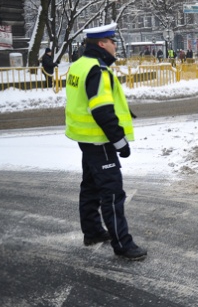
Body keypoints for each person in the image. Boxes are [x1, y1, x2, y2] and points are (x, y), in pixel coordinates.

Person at [65, 22, 147, 261]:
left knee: (90, 186)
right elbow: (101, 110)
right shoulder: (98, 70)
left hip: (85, 137)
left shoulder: (79, 65)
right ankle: (122, 244)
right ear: (102, 44)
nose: (115, 45)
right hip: (100, 139)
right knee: (111, 193)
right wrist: (119, 141)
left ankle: (92, 232)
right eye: (112, 41)